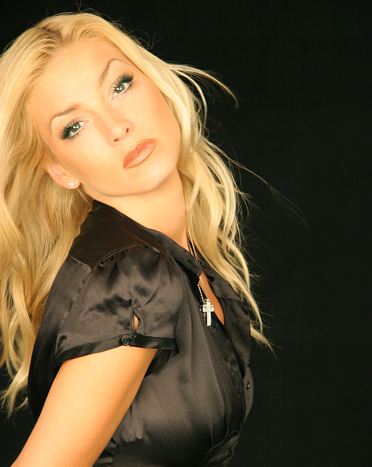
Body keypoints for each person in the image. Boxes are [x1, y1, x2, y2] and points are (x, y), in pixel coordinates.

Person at [0, 12, 269, 466]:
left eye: (120, 86)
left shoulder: (173, 259)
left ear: (155, 84)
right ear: (61, 170)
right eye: (74, 126)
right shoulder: (133, 279)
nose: (116, 126)